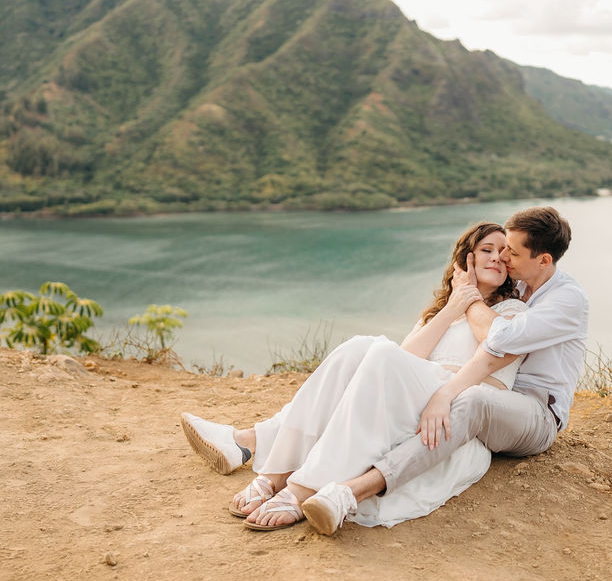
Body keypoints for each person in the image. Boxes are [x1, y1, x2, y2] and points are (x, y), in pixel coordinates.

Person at [183, 206, 589, 535]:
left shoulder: (514, 309)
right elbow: (402, 356)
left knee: (375, 352)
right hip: (422, 380)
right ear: (466, 259)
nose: (500, 258)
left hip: (468, 392)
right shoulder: (449, 308)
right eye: (488, 250)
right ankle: (274, 474)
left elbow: (494, 345)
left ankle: (296, 482)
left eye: (507, 253)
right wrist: (452, 305)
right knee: (362, 348)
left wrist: (468, 303)